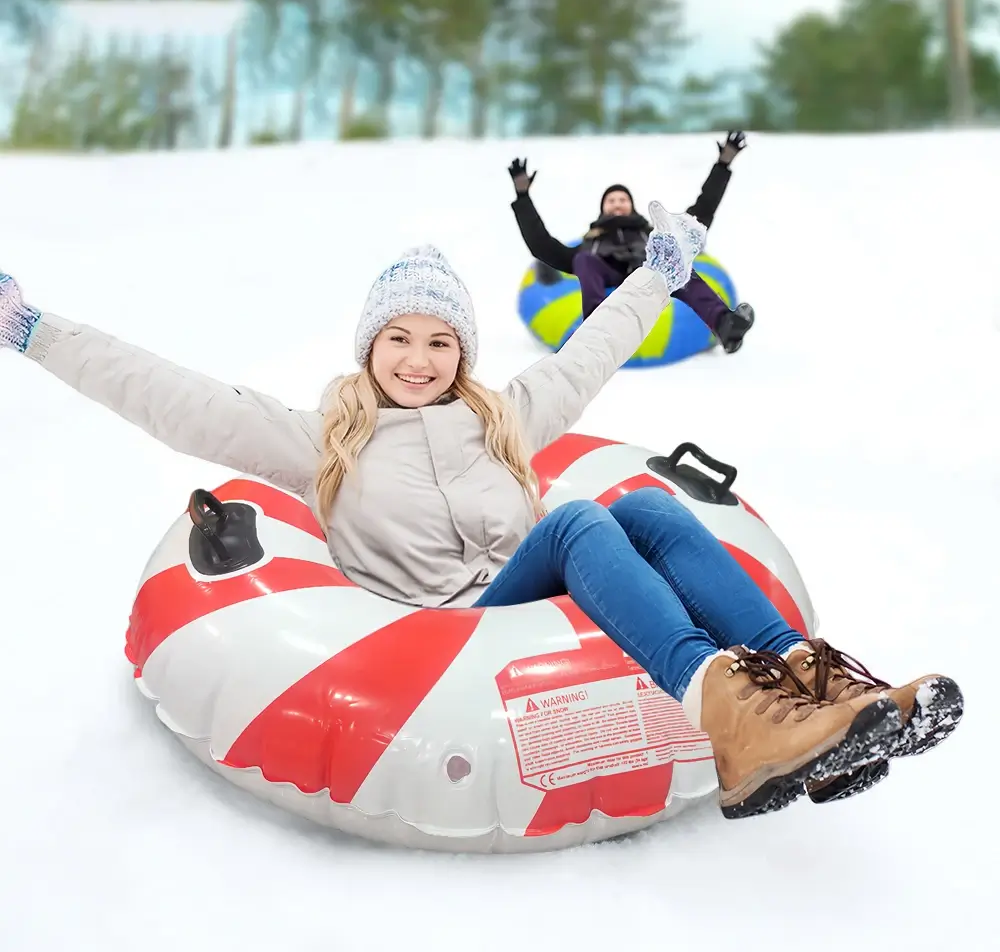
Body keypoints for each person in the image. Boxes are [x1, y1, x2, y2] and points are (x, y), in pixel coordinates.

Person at [0, 203, 962, 821]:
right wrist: (32, 329)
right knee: (582, 519)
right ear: (369, 346)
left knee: (651, 514)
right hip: (446, 630)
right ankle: (723, 710)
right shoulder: (316, 440)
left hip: (536, 596)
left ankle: (814, 689)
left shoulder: (503, 418)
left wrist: (659, 275)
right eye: (398, 340)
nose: (418, 361)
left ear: (462, 352)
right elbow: (169, 393)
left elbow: (591, 351)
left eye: (440, 342)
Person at [508, 131, 754, 353]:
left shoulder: (652, 234)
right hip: (602, 273)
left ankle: (725, 325)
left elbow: (699, 215)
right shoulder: (589, 245)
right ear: (603, 208)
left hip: (649, 271)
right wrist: (522, 197)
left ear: (631, 206)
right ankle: (596, 333)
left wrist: (723, 165)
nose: (617, 203)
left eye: (622, 199)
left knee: (677, 263)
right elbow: (541, 245)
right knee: (583, 260)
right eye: (611, 200)